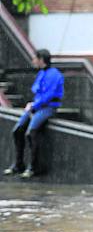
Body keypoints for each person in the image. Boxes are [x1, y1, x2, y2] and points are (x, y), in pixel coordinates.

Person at [4, 49, 64, 178]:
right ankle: (18, 164)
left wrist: (34, 105)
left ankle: (33, 167)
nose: (33, 61)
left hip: (47, 108)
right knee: (17, 130)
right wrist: (32, 104)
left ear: (41, 59)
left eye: (35, 58)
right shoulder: (42, 73)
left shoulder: (54, 75)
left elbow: (48, 95)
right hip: (37, 106)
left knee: (31, 132)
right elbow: (38, 92)